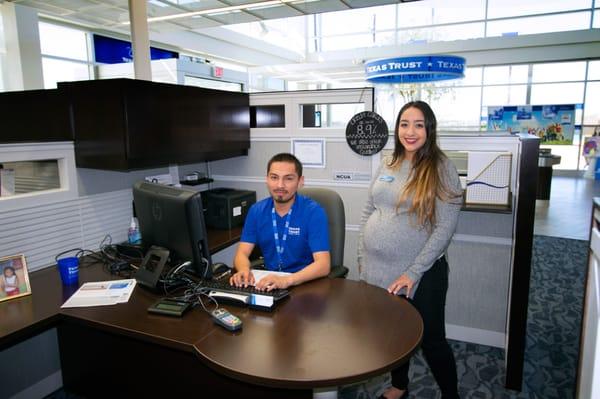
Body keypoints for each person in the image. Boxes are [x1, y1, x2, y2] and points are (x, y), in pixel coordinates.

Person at [358, 101, 463, 399]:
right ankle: (399, 385)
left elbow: (445, 228)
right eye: (405, 123)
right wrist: (363, 258)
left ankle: (450, 395)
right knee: (394, 333)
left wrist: (412, 273)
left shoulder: (442, 168)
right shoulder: (388, 161)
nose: (410, 131)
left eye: (418, 124)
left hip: (422, 274)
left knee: (432, 341)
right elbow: (369, 210)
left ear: (429, 129)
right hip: (378, 269)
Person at [230, 153, 331, 291]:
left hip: (304, 283)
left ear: (300, 181)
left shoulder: (313, 212)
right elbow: (241, 253)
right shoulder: (256, 211)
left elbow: (324, 265)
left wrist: (287, 280)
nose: (280, 185)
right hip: (269, 282)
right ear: (267, 179)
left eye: (288, 179)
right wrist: (243, 270)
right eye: (274, 177)